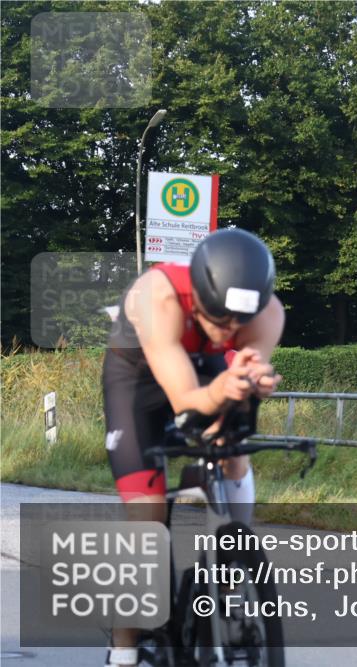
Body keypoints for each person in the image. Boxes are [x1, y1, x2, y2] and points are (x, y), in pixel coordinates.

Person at [101, 228, 284, 667]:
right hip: (139, 376)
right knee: (146, 522)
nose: (229, 332)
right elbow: (185, 400)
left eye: (239, 324)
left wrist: (250, 381)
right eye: (218, 320)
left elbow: (237, 377)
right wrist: (223, 388)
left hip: (204, 368)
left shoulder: (267, 312)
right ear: (198, 297)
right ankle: (123, 651)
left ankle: (230, 557)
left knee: (233, 451)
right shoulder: (157, 298)